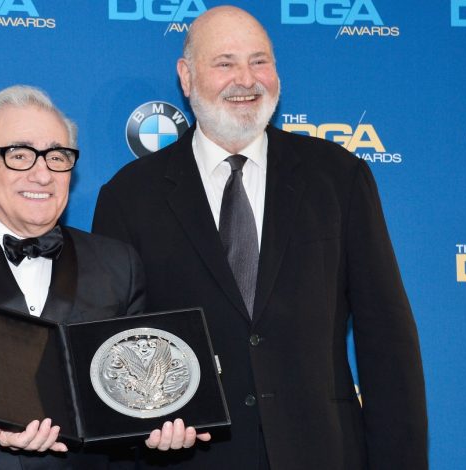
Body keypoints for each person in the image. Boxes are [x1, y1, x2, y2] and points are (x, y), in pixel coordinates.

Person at [93, 6, 428, 470]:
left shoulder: (339, 177)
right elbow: (114, 355)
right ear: (186, 77)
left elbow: (387, 342)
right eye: (225, 63)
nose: (246, 79)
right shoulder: (130, 196)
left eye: (260, 61)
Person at [0, 85, 205, 469]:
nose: (42, 173)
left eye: (57, 157)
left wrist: (160, 424)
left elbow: (129, 392)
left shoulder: (118, 263)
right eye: (20, 155)